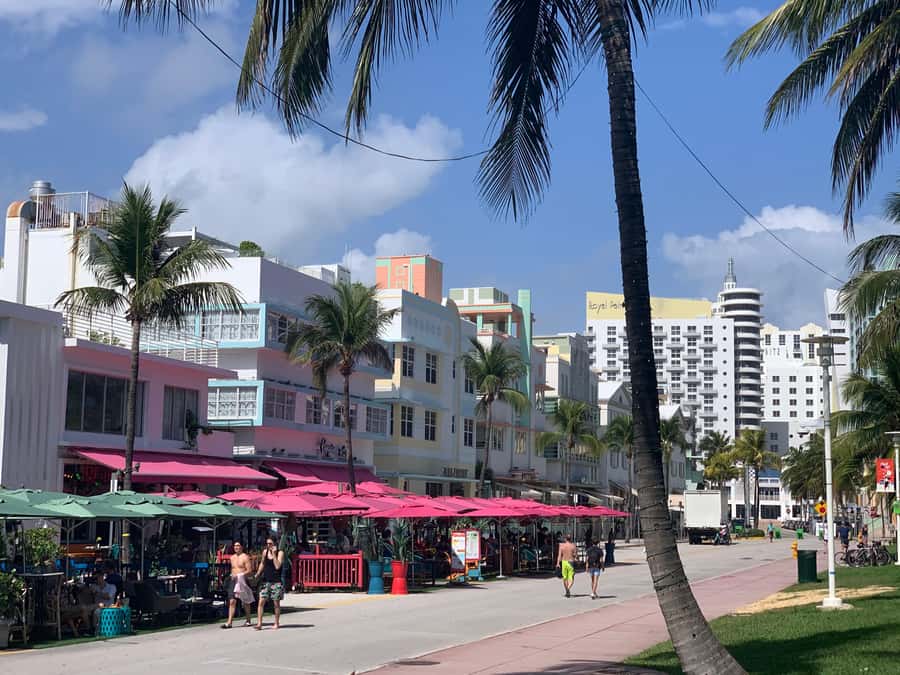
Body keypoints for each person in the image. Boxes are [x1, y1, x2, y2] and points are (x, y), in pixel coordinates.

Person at [255, 535, 285, 630]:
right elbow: (263, 563)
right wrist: (258, 573)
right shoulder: (265, 552)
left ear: (275, 543)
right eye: (267, 543)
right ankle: (259, 623)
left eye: (270, 543)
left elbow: (277, 566)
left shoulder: (280, 553)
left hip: (276, 581)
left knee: (276, 603)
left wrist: (274, 554)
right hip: (266, 581)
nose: (269, 545)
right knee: (261, 601)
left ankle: (276, 622)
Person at [222, 541, 254, 628]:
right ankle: (229, 622)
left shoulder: (245, 557)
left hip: (242, 580)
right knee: (232, 601)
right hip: (233, 580)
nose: (236, 547)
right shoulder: (232, 558)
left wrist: (240, 575)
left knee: (245, 601)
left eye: (238, 546)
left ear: (241, 547)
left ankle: (248, 620)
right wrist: (232, 575)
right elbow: (233, 569)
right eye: (235, 546)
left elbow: (249, 570)